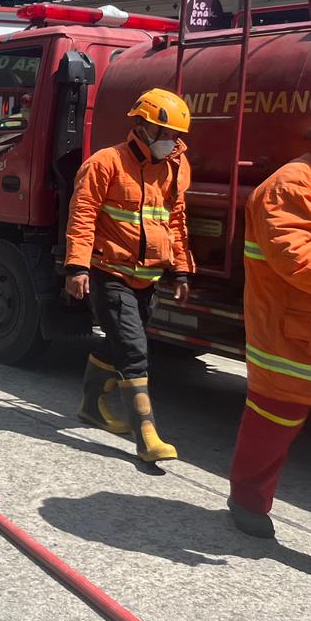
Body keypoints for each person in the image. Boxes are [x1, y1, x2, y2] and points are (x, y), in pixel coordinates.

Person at [227, 75, 311, 538]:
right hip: (296, 341)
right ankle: (247, 504)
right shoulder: (291, 185)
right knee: (270, 427)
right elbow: (299, 261)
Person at [65, 87, 193, 464]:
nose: (171, 143)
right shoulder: (105, 163)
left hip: (148, 277)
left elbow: (176, 221)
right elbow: (83, 215)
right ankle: (146, 435)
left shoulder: (176, 167)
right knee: (135, 350)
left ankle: (90, 406)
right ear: (141, 127)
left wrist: (182, 268)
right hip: (108, 272)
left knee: (120, 341)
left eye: (176, 137)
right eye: (164, 134)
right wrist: (76, 266)